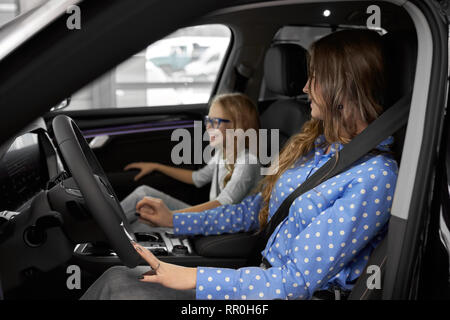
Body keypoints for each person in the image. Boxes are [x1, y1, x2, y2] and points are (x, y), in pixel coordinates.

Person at [81, 29, 398, 300]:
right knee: (120, 278)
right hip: (260, 279)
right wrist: (174, 221)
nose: (304, 88)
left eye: (314, 78)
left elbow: (293, 284)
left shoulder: (373, 177)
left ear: (342, 87)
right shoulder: (317, 146)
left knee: (118, 285)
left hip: (280, 292)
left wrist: (191, 278)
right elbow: (253, 211)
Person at [120, 93, 262, 228]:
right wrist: (157, 166)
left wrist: (171, 217)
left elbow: (222, 204)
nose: (207, 126)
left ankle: (105, 234)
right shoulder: (222, 154)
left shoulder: (247, 162)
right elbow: (198, 178)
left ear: (236, 127)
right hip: (210, 217)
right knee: (143, 195)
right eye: (208, 120)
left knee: (141, 221)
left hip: (221, 225)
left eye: (215, 122)